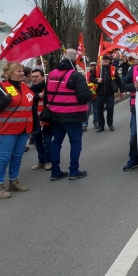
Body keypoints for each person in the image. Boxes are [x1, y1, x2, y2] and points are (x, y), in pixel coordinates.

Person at [44, 49, 92, 181]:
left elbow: (47, 95)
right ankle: (74, 171)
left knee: (56, 142)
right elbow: (84, 97)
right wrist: (89, 90)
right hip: (73, 115)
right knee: (75, 143)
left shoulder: (52, 74)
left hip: (55, 114)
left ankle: (55, 172)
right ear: (74, 59)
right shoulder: (75, 75)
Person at [0, 62, 34, 198]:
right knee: (4, 158)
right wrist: (4, 101)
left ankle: (13, 181)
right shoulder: (2, 88)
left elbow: (29, 106)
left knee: (17, 157)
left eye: (22, 71)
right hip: (8, 130)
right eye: (18, 71)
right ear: (9, 73)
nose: (22, 73)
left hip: (23, 129)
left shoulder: (25, 87)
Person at [90, 54, 123, 132]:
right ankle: (101, 126)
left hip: (110, 93)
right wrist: (97, 80)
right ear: (101, 60)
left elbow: (118, 80)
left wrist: (122, 91)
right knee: (99, 110)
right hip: (100, 93)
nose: (105, 60)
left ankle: (110, 124)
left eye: (107, 59)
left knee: (110, 109)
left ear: (109, 61)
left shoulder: (113, 69)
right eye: (104, 59)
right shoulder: (97, 69)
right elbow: (91, 78)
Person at [29, 68, 52, 171]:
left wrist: (44, 95)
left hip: (47, 120)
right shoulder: (30, 89)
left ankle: (48, 161)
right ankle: (41, 161)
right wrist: (38, 96)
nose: (34, 79)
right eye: (33, 77)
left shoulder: (48, 88)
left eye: (37, 76)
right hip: (35, 121)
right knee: (37, 142)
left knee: (47, 142)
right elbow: (28, 99)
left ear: (43, 77)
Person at [84, 61, 98, 131]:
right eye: (91, 66)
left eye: (94, 65)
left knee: (96, 110)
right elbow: (84, 84)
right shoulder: (86, 74)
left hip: (96, 95)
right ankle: (84, 124)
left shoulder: (98, 73)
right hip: (89, 96)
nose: (92, 67)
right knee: (87, 110)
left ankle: (96, 122)